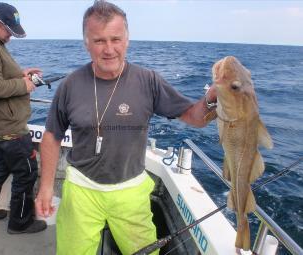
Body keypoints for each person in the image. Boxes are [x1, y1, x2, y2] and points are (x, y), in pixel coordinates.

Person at [35, 0, 217, 254]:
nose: (109, 49)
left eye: (116, 39)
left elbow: (195, 117)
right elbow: (52, 136)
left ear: (127, 40)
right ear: (87, 43)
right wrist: (45, 187)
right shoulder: (70, 84)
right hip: (81, 189)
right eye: (99, 41)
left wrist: (213, 99)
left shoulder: (149, 81)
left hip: (130, 188)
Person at [0, 2, 47, 234]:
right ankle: (20, 223)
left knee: (0, 170)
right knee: (27, 173)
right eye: (9, 31)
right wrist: (24, 84)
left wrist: (20, 74)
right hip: (9, 128)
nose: (11, 37)